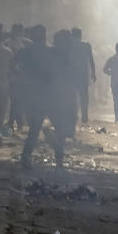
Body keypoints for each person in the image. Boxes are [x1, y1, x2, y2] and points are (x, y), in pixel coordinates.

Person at [18, 26, 54, 169]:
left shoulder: (25, 51)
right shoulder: (49, 52)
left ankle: (27, 155)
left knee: (34, 126)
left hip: (29, 93)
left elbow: (16, 68)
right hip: (44, 94)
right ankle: (56, 154)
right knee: (43, 124)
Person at [46, 30, 78, 168]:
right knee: (64, 130)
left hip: (55, 94)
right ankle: (59, 159)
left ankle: (59, 157)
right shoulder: (69, 55)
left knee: (61, 128)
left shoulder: (50, 53)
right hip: (65, 95)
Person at [5, 23, 31, 131]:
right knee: (16, 99)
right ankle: (17, 122)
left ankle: (14, 121)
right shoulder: (25, 43)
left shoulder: (26, 43)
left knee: (17, 99)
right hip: (15, 76)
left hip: (19, 76)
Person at [69, 28, 96, 124]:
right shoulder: (86, 45)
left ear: (72, 35)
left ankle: (74, 114)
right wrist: (93, 73)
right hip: (83, 74)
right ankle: (84, 115)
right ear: (80, 35)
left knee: (72, 95)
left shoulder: (70, 45)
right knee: (84, 95)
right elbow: (91, 60)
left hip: (72, 73)